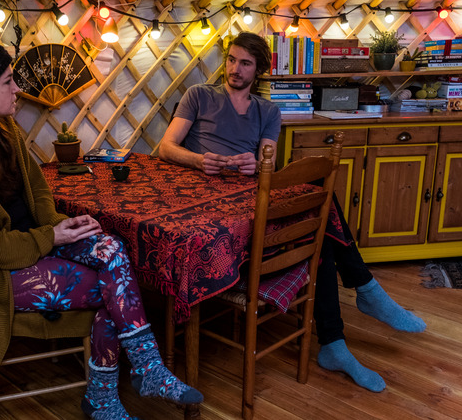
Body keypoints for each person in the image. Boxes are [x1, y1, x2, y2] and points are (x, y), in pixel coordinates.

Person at [0, 39, 202, 420]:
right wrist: (53, 237)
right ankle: (114, 392)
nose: (18, 89)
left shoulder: (6, 132)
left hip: (35, 247)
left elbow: (39, 198)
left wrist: (62, 224)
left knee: (110, 247)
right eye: (8, 82)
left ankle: (143, 371)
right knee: (114, 289)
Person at [159, 32, 426, 393]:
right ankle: (358, 302)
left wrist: (254, 165)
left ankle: (341, 334)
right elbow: (166, 147)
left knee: (320, 214)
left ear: (260, 70)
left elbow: (266, 162)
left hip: (247, 195)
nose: (235, 69)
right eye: (231, 60)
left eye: (245, 63)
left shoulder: (268, 111)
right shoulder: (199, 95)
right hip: (203, 197)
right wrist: (200, 159)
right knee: (324, 231)